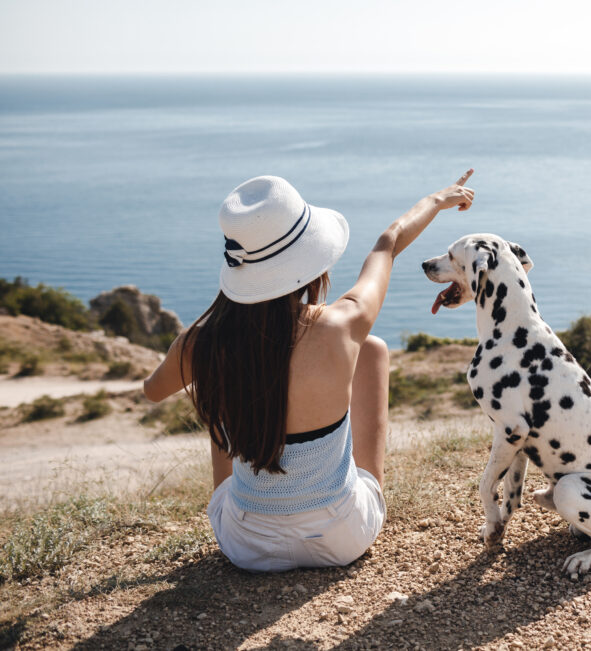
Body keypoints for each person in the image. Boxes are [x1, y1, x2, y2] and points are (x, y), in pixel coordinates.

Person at [144, 170, 475, 571]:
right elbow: (387, 245)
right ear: (312, 262)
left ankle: (260, 504)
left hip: (247, 545)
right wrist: (437, 200)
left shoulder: (204, 343)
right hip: (342, 537)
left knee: (223, 374)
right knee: (370, 350)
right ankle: (356, 492)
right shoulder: (342, 324)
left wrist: (209, 333)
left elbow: (152, 391)